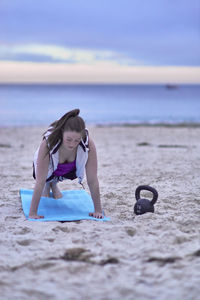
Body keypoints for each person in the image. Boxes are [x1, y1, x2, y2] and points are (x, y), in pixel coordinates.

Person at [29, 109, 103, 219]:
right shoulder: (48, 143)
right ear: (62, 133)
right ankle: (49, 184)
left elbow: (92, 180)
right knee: (44, 182)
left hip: (69, 171)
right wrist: (32, 213)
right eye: (68, 140)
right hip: (49, 169)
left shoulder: (87, 143)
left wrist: (98, 210)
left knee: (54, 183)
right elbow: (39, 181)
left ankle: (53, 184)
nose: (72, 144)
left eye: (76, 140)